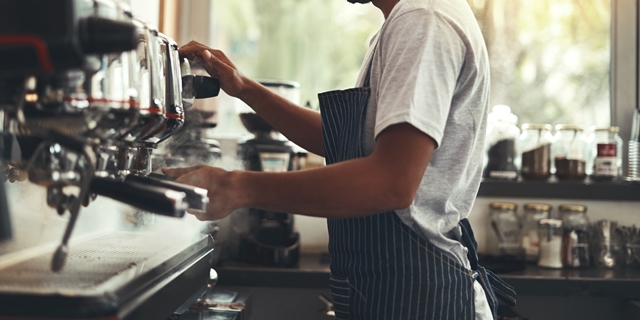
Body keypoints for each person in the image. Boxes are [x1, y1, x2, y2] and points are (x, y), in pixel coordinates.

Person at [169, 0, 516, 319]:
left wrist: (237, 187)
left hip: (419, 293)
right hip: (391, 288)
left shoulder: (423, 21)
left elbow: (392, 182)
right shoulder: (403, 22)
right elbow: (345, 143)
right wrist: (243, 87)